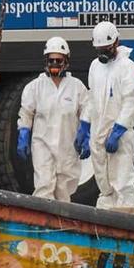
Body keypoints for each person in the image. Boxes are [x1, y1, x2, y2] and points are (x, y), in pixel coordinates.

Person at [17, 36, 89, 203]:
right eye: (51, 60)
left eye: (59, 60)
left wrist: (86, 132)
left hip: (68, 146)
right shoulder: (35, 87)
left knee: (64, 191)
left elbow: (87, 109)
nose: (55, 64)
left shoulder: (76, 87)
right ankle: (42, 225)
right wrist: (23, 134)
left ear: (66, 61)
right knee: (44, 185)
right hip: (42, 144)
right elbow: (26, 112)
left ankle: (61, 226)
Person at [86, 20, 134, 209]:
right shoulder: (95, 66)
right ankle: (104, 222)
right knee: (104, 183)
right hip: (98, 133)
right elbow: (91, 97)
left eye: (107, 49)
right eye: (99, 49)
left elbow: (131, 101)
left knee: (122, 181)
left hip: (120, 133)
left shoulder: (129, 68)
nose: (103, 53)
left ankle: (126, 218)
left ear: (116, 42)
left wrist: (118, 130)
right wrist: (85, 125)